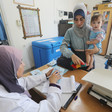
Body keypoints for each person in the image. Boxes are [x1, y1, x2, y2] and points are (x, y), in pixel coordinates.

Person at [0, 45, 62, 112]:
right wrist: (53, 84)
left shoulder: (4, 79)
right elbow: (51, 109)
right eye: (20, 62)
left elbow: (24, 81)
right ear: (8, 68)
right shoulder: (17, 104)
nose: (24, 64)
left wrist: (45, 76)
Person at [57, 3, 99, 71]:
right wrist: (71, 55)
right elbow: (62, 47)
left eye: (81, 19)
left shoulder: (91, 30)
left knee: (87, 77)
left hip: (88, 60)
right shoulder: (70, 31)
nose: (79, 23)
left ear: (85, 17)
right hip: (75, 59)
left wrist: (97, 50)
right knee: (59, 61)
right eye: (76, 19)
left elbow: (99, 47)